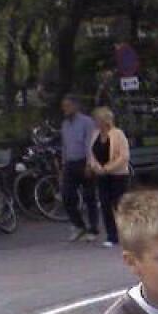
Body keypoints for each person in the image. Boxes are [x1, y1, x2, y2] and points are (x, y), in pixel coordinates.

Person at [86, 106, 131, 247]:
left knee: (119, 205)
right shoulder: (95, 134)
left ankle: (127, 234)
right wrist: (96, 167)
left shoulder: (118, 134)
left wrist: (108, 168)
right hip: (102, 175)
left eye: (97, 120)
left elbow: (124, 156)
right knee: (105, 204)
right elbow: (91, 153)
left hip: (118, 175)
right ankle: (112, 235)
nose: (95, 123)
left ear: (105, 120)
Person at [60, 94, 101, 242]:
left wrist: (90, 163)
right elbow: (64, 145)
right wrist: (63, 164)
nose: (65, 109)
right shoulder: (65, 124)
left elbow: (90, 143)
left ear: (76, 106)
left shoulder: (87, 122)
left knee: (90, 196)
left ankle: (93, 228)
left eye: (68, 106)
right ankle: (79, 225)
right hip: (71, 163)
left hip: (84, 161)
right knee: (67, 196)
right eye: (64, 106)